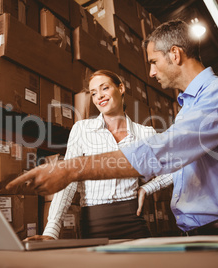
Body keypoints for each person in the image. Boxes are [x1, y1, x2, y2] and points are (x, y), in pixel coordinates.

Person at [8, 20, 218, 236]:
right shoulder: (189, 107)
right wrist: (51, 229)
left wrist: (72, 168)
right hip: (200, 229)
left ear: (175, 54)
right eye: (92, 92)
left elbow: (168, 151)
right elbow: (179, 162)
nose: (152, 72)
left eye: (154, 62)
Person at [28, 70, 172, 240]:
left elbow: (175, 167)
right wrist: (51, 231)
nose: (99, 97)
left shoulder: (144, 133)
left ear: (121, 88)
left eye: (104, 88)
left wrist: (147, 188)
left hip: (133, 222)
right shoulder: (82, 129)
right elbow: (67, 180)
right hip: (94, 225)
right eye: (93, 93)